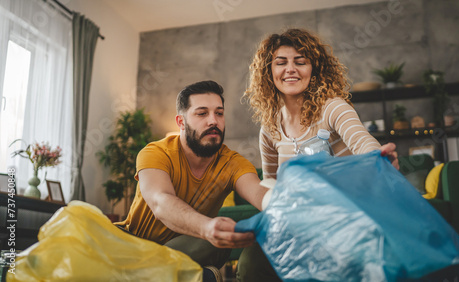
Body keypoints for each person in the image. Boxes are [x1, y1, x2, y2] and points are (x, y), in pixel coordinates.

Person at [238, 28, 399, 281]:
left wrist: (377, 158)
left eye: (300, 62)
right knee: (251, 264)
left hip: (346, 215)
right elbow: (270, 186)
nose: (290, 69)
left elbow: (361, 141)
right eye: (281, 63)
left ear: (314, 70)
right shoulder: (269, 128)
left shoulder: (333, 108)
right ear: (269, 73)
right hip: (299, 222)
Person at [115, 80, 269, 281]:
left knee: (213, 240)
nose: (213, 121)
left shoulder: (233, 163)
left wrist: (286, 207)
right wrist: (206, 227)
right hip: (133, 245)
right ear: (181, 122)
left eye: (219, 113)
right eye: (202, 113)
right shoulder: (156, 152)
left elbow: (258, 192)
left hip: (188, 249)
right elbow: (160, 201)